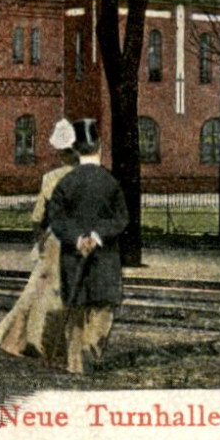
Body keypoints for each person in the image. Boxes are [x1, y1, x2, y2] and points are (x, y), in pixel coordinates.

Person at [0, 118, 79, 361]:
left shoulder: (51, 178)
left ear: (61, 152)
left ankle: (26, 340)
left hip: (56, 241)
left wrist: (40, 241)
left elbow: (38, 216)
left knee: (39, 293)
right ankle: (67, 347)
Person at [45, 118, 127, 374]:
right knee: (103, 307)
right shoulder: (110, 181)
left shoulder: (65, 184)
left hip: (73, 256)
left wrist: (78, 239)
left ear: (76, 150)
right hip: (105, 258)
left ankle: (75, 365)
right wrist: (97, 236)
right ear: (99, 147)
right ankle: (92, 348)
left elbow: (56, 220)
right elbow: (121, 219)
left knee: (77, 310)